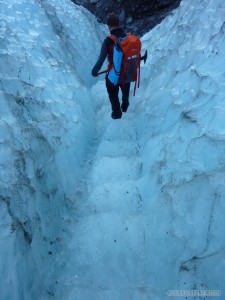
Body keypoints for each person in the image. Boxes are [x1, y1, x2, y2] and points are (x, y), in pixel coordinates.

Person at [91, 13, 130, 120]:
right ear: (119, 23)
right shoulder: (127, 37)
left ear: (109, 26)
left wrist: (95, 71)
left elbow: (101, 59)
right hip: (127, 72)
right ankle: (125, 104)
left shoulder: (108, 41)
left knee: (112, 92)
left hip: (114, 73)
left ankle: (117, 113)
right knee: (125, 86)